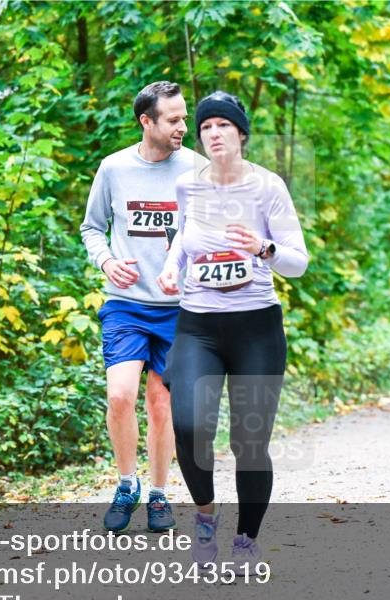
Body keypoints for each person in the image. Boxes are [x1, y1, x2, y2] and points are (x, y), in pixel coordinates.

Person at [156, 91, 308, 569]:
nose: (213, 133)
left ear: (241, 133)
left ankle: (245, 540)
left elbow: (298, 262)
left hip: (256, 328)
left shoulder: (268, 187)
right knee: (188, 426)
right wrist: (171, 266)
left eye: (223, 124)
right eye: (205, 126)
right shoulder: (187, 185)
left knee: (249, 442)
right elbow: (182, 237)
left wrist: (263, 247)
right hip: (198, 325)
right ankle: (205, 517)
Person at [80, 81, 199, 533]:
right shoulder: (114, 168)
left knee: (161, 404)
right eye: (173, 119)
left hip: (179, 307)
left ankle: (159, 494)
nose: (183, 127)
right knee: (120, 395)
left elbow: (213, 230)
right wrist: (107, 261)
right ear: (146, 121)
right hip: (126, 304)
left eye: (184, 118)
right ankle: (127, 484)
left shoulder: (197, 169)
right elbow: (92, 228)